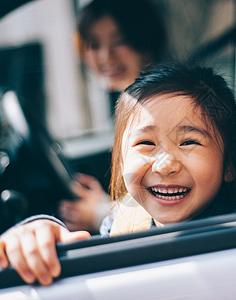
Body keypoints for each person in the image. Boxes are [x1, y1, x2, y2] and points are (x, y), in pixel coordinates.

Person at [0, 64, 236, 285]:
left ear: (227, 165)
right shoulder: (122, 222)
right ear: (120, 160)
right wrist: (41, 233)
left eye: (190, 141)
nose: (165, 164)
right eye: (146, 142)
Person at [59, 0, 167, 233]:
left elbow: (167, 200)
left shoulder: (160, 106)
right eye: (93, 44)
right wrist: (105, 204)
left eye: (120, 42)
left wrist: (102, 214)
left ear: (145, 41)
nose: (105, 57)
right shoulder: (131, 103)